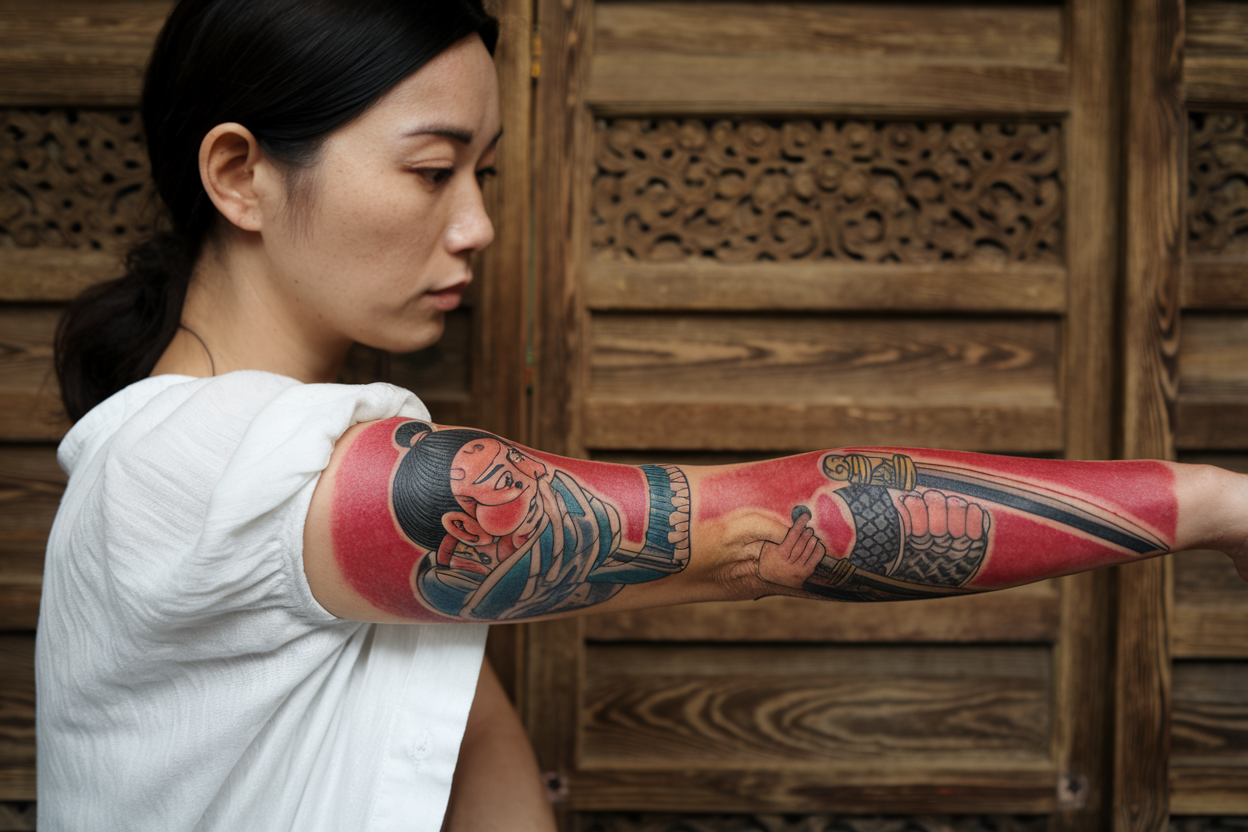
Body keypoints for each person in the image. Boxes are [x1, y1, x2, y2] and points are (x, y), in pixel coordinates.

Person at [36, 0, 1248, 830]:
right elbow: (770, 529)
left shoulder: (344, 541)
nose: (477, 226)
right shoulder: (206, 462)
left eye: (484, 174)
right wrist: (1209, 500)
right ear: (240, 173)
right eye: (429, 168)